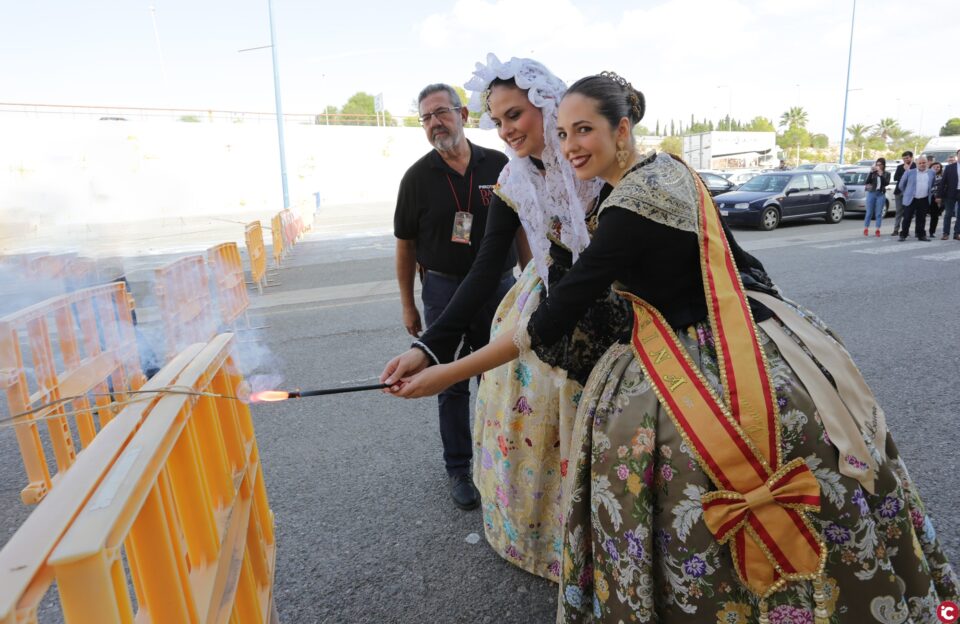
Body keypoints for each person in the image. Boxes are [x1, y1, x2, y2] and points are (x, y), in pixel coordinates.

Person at [389, 73, 957, 622]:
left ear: (621, 127)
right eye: (563, 134)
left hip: (684, 334)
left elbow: (560, 313)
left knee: (688, 465)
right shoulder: (655, 172)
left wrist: (448, 373)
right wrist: (428, 347)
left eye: (580, 130)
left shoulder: (630, 199)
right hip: (668, 323)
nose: (568, 145)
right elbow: (525, 274)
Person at [382, 55, 631, 580]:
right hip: (550, 300)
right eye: (497, 121)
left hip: (621, 309)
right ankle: (554, 537)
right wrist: (427, 347)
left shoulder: (601, 164)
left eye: (515, 114)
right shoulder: (512, 179)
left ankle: (616, 544)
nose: (507, 130)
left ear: (546, 104)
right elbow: (482, 269)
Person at [393, 82, 520, 510]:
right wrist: (409, 303)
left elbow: (521, 225)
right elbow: (405, 247)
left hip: (499, 286)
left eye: (441, 113)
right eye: (425, 117)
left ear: (463, 115)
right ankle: (459, 468)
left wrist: (528, 282)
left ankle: (498, 460)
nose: (434, 123)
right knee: (450, 380)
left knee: (499, 375)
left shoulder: (500, 164)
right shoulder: (416, 179)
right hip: (444, 288)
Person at [897, 155, 935, 241]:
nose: (922, 164)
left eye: (924, 163)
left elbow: (931, 184)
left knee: (921, 218)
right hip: (911, 198)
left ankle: (921, 235)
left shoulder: (931, 173)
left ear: (927, 163)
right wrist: (907, 193)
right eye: (920, 163)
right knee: (907, 217)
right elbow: (901, 185)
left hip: (924, 198)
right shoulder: (909, 172)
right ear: (917, 164)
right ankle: (903, 235)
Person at [890, 151, 915, 237]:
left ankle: (905, 230)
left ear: (911, 157)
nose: (905, 160)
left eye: (907, 158)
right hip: (899, 192)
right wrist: (904, 171)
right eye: (904, 158)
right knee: (898, 211)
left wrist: (908, 171)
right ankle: (896, 230)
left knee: (908, 212)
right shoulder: (900, 167)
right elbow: (896, 177)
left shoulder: (915, 167)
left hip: (909, 192)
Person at [862, 157, 889, 236]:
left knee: (878, 213)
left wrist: (881, 175)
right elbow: (867, 182)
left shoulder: (887, 173)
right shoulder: (873, 173)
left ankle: (877, 229)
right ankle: (866, 228)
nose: (878, 166)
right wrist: (871, 172)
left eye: (880, 165)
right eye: (877, 164)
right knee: (869, 212)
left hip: (881, 194)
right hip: (872, 193)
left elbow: (886, 183)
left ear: (883, 165)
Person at [940, 149, 960, 240]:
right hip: (950, 193)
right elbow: (943, 182)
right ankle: (946, 233)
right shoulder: (949, 167)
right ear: (957, 156)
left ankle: (957, 233)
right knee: (948, 214)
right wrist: (939, 195)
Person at [930, 161, 945, 237]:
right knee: (922, 215)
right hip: (929, 197)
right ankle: (918, 231)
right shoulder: (928, 175)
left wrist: (939, 197)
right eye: (934, 167)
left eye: (938, 167)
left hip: (940, 198)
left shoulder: (943, 176)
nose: (936, 168)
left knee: (935, 216)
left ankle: (932, 232)